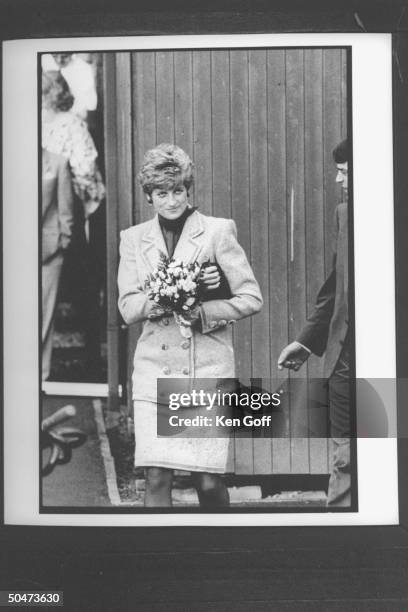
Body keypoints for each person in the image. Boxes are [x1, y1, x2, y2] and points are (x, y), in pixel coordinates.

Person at [117, 143, 263, 507]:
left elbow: (251, 297)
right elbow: (127, 306)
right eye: (162, 193)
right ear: (148, 196)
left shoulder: (216, 231)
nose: (171, 201)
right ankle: (161, 557)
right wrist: (161, 299)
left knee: (207, 479)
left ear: (188, 190)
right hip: (154, 369)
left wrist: (203, 312)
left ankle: (218, 552)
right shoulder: (133, 239)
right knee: (156, 475)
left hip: (205, 370)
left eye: (178, 191)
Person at [277, 139, 351, 507]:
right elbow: (335, 286)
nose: (340, 181)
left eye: (346, 172)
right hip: (345, 356)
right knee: (345, 451)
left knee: (382, 444)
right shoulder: (345, 214)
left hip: (386, 358)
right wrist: (306, 342)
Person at [42, 70, 106, 380]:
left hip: (59, 213)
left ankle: (81, 362)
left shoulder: (64, 124)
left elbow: (84, 170)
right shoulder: (56, 124)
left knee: (72, 290)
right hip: (58, 212)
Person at [42, 148, 74, 380]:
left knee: (45, 312)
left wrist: (64, 240)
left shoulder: (58, 162)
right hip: (13, 251)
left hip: (49, 250)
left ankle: (39, 374)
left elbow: (66, 206)